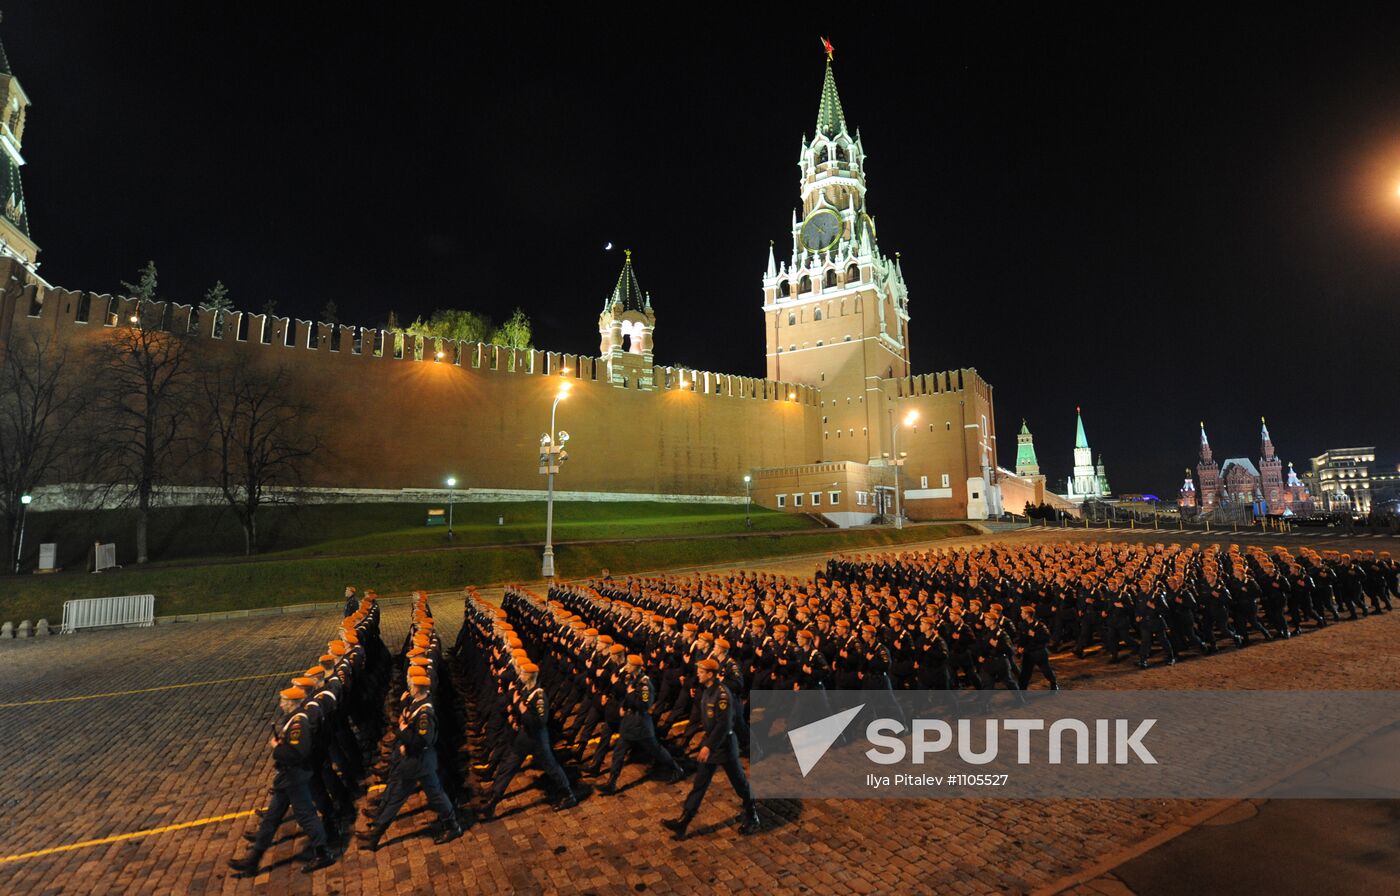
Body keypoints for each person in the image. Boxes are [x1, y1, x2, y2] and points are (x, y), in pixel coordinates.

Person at [229, 687, 338, 877]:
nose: (281, 705)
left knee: (306, 816)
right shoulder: (296, 719)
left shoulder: (298, 722)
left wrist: (277, 749)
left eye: (283, 701)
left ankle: (322, 852)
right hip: (288, 778)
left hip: (294, 777)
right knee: (271, 818)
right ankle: (253, 860)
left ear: (291, 703)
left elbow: (298, 752)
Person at [356, 672, 462, 851]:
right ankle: (452, 825)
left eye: (412, 685)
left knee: (401, 795)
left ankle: (375, 835)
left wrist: (403, 731)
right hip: (418, 761)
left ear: (418, 689)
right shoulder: (417, 704)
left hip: (418, 762)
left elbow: (422, 741)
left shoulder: (424, 714)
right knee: (433, 793)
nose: (409, 687)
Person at [663, 658, 759, 840]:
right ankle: (684, 820)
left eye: (701, 671)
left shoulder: (722, 695)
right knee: (699, 784)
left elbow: (724, 725)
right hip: (712, 745)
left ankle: (752, 813)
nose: (697, 674)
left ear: (710, 674)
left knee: (739, 783)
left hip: (724, 747)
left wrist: (707, 746)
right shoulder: (707, 690)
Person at [481, 663, 577, 817]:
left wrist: (521, 708)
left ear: (530, 676)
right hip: (525, 737)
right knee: (509, 765)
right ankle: (493, 799)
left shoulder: (538, 696)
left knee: (552, 767)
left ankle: (568, 795)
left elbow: (540, 722)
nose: (520, 676)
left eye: (523, 674)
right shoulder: (525, 689)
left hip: (537, 739)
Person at [599, 655, 687, 794]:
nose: (626, 666)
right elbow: (626, 695)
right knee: (618, 753)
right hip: (629, 723)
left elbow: (644, 704)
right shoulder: (632, 679)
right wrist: (624, 705)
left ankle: (676, 769)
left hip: (640, 725)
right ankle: (612, 783)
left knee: (656, 750)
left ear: (636, 667)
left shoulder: (645, 685)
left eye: (629, 665)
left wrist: (630, 696)